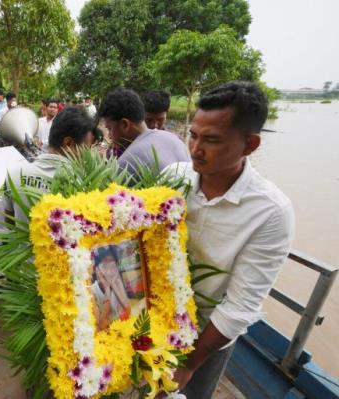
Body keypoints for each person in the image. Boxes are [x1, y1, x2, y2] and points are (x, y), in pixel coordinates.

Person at [165, 81, 294, 398]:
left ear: (250, 144)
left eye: (211, 140)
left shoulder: (271, 212)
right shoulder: (173, 177)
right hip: (151, 315)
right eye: (193, 135)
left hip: (207, 338)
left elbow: (239, 307)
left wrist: (189, 364)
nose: (195, 149)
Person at [4, 106, 94, 223]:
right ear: (68, 143)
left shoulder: (13, 175)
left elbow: (9, 220)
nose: (88, 154)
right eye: (86, 147)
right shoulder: (82, 183)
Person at [98, 88, 189, 179]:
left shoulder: (128, 162)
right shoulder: (175, 139)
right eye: (149, 119)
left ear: (125, 125)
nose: (109, 136)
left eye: (109, 129)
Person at [91, 246, 131, 331]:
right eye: (105, 267)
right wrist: (107, 290)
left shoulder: (117, 283)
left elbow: (127, 313)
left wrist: (115, 287)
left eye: (113, 267)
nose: (109, 272)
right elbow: (102, 325)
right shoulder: (92, 291)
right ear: (96, 269)